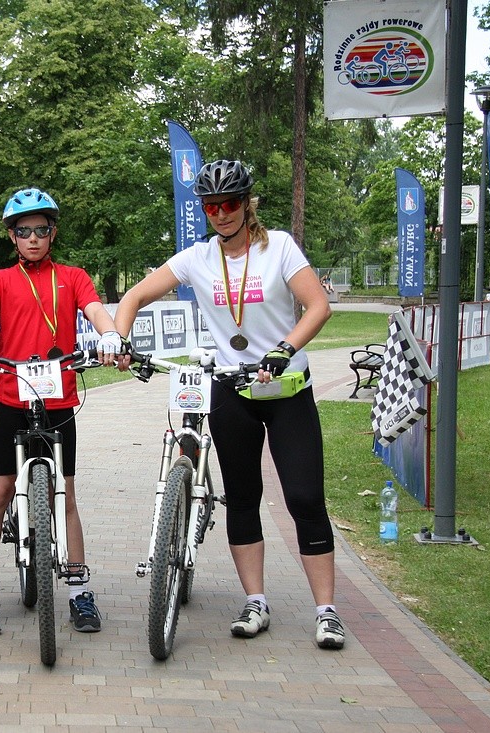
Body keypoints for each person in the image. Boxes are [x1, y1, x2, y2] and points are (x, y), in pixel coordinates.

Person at [114, 160, 344, 650]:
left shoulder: (278, 247)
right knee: (242, 497)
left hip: (285, 387)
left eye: (230, 203)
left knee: (304, 497)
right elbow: (133, 297)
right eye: (211, 206)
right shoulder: (197, 258)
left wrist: (285, 348)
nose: (221, 213)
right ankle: (255, 601)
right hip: (231, 388)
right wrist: (120, 338)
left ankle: (326, 611)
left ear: (247, 203)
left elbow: (318, 305)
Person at [0, 187, 121, 636]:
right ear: (12, 236)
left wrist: (109, 334)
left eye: (40, 230)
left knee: (65, 494)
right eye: (23, 231)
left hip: (59, 399)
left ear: (52, 233)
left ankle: (79, 591)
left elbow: (96, 309)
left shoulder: (73, 276)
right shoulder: (0, 279)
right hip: (9, 397)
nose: (32, 238)